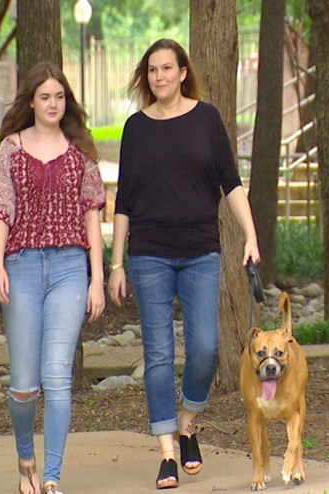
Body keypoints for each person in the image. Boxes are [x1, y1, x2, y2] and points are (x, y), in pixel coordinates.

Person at [107, 39, 261, 490]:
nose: (159, 77)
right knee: (157, 356)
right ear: (146, 76)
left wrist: (251, 236)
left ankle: (187, 422)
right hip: (149, 253)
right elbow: (124, 201)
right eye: (152, 70)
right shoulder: (135, 128)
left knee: (206, 348)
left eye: (167, 69)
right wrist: (117, 264)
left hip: (200, 251)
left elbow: (231, 183)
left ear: (182, 72)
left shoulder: (207, 119)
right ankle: (167, 454)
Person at [0, 61, 106, 494]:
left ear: (66, 101)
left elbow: (93, 215)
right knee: (24, 385)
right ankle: (25, 458)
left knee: (57, 376)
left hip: (70, 268)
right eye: (44, 97)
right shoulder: (11, 149)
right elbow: (1, 208)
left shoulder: (82, 152)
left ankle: (53, 476)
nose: (53, 104)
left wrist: (96, 277)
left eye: (59, 96)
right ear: (31, 102)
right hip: (20, 267)